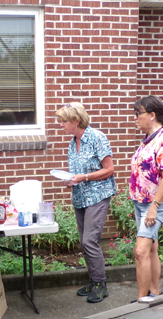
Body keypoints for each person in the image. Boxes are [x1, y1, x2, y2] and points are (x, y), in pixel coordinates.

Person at [56, 102, 116, 304]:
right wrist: (71, 180)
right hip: (80, 196)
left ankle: (101, 284)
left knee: (90, 240)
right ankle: (92, 280)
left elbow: (109, 169)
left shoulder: (97, 137)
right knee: (84, 241)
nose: (61, 124)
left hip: (97, 196)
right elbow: (77, 173)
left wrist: (85, 177)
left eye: (64, 121)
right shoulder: (73, 143)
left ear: (76, 120)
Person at [129, 96, 163, 302]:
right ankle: (154, 293)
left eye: (138, 114)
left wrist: (154, 207)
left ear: (152, 115)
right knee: (151, 247)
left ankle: (141, 302)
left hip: (154, 202)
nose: (135, 119)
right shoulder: (149, 138)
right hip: (141, 201)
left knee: (140, 251)